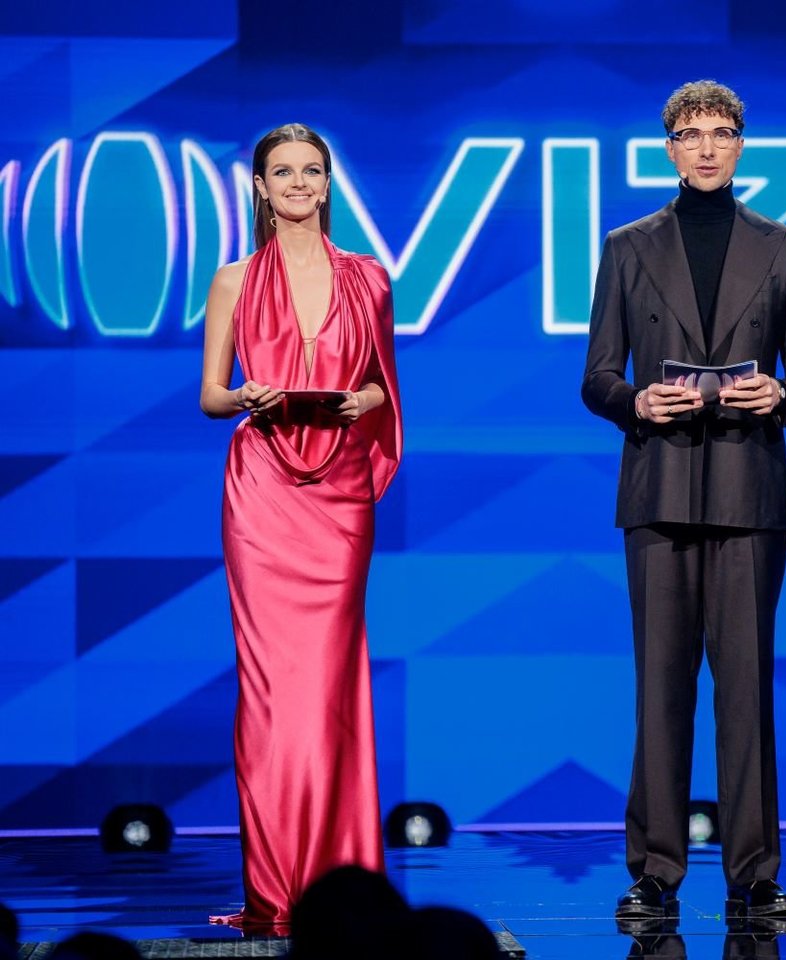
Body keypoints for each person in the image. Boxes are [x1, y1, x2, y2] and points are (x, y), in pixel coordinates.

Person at [581, 79, 786, 926]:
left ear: (742, 145)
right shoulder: (627, 246)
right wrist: (636, 401)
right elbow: (597, 376)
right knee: (661, 688)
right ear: (670, 150)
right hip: (658, 487)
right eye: (692, 134)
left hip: (748, 488)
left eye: (722, 132)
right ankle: (654, 870)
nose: (709, 147)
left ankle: (754, 872)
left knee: (746, 689)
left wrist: (781, 395)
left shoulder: (785, 246)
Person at [199, 123, 402, 927]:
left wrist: (360, 401)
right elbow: (211, 396)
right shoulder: (233, 280)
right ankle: (274, 889)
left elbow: (384, 386)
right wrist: (245, 396)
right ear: (259, 186)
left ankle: (340, 882)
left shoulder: (370, 278)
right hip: (263, 492)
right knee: (271, 688)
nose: (297, 183)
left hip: (340, 494)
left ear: (327, 183)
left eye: (311, 171)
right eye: (282, 172)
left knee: (330, 683)